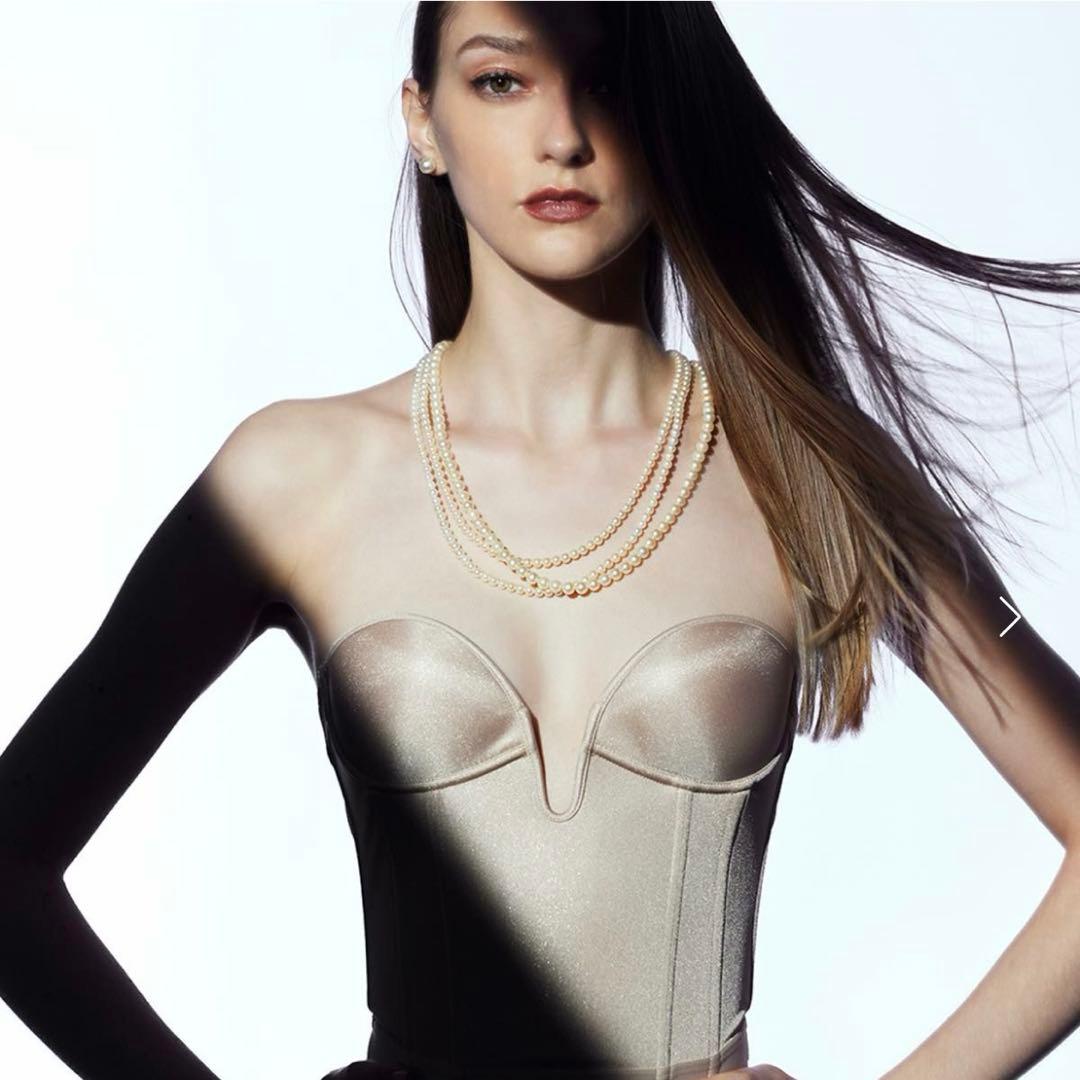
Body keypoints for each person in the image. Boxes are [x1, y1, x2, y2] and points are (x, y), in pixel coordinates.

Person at [3, 3, 1080, 1079]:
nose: (562, 136)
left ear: (671, 111)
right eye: (501, 81)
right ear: (422, 121)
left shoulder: (805, 476)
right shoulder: (294, 478)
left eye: (607, 84)